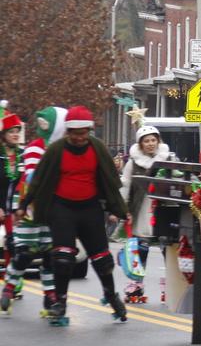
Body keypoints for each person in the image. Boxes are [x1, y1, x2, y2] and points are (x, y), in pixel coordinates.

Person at [18, 105, 129, 326]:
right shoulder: (56, 150)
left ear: (89, 131)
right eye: (75, 134)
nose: (80, 138)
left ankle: (111, 294)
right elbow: (39, 180)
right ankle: (60, 302)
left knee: (102, 259)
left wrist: (121, 212)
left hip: (90, 208)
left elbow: (110, 181)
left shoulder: (97, 148)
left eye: (84, 133)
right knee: (62, 257)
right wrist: (25, 204)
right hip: (62, 208)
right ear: (67, 132)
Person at [2, 107, 66, 314]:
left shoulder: (60, 147)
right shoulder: (35, 148)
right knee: (25, 253)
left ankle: (50, 297)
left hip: (49, 207)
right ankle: (9, 288)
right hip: (28, 205)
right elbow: (32, 179)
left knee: (48, 254)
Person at [119, 124, 177, 303]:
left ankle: (171, 285)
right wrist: (123, 209)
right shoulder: (133, 162)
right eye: (146, 141)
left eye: (153, 140)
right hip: (142, 207)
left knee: (166, 247)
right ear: (141, 144)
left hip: (163, 207)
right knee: (141, 247)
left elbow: (178, 178)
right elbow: (125, 184)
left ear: (158, 141)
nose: (151, 144)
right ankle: (136, 284)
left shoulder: (168, 158)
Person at [0, 113, 24, 297]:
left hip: (11, 209)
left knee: (12, 245)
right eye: (11, 132)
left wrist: (18, 208)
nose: (15, 135)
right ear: (3, 135)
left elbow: (24, 183)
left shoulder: (21, 157)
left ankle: (12, 283)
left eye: (17, 131)